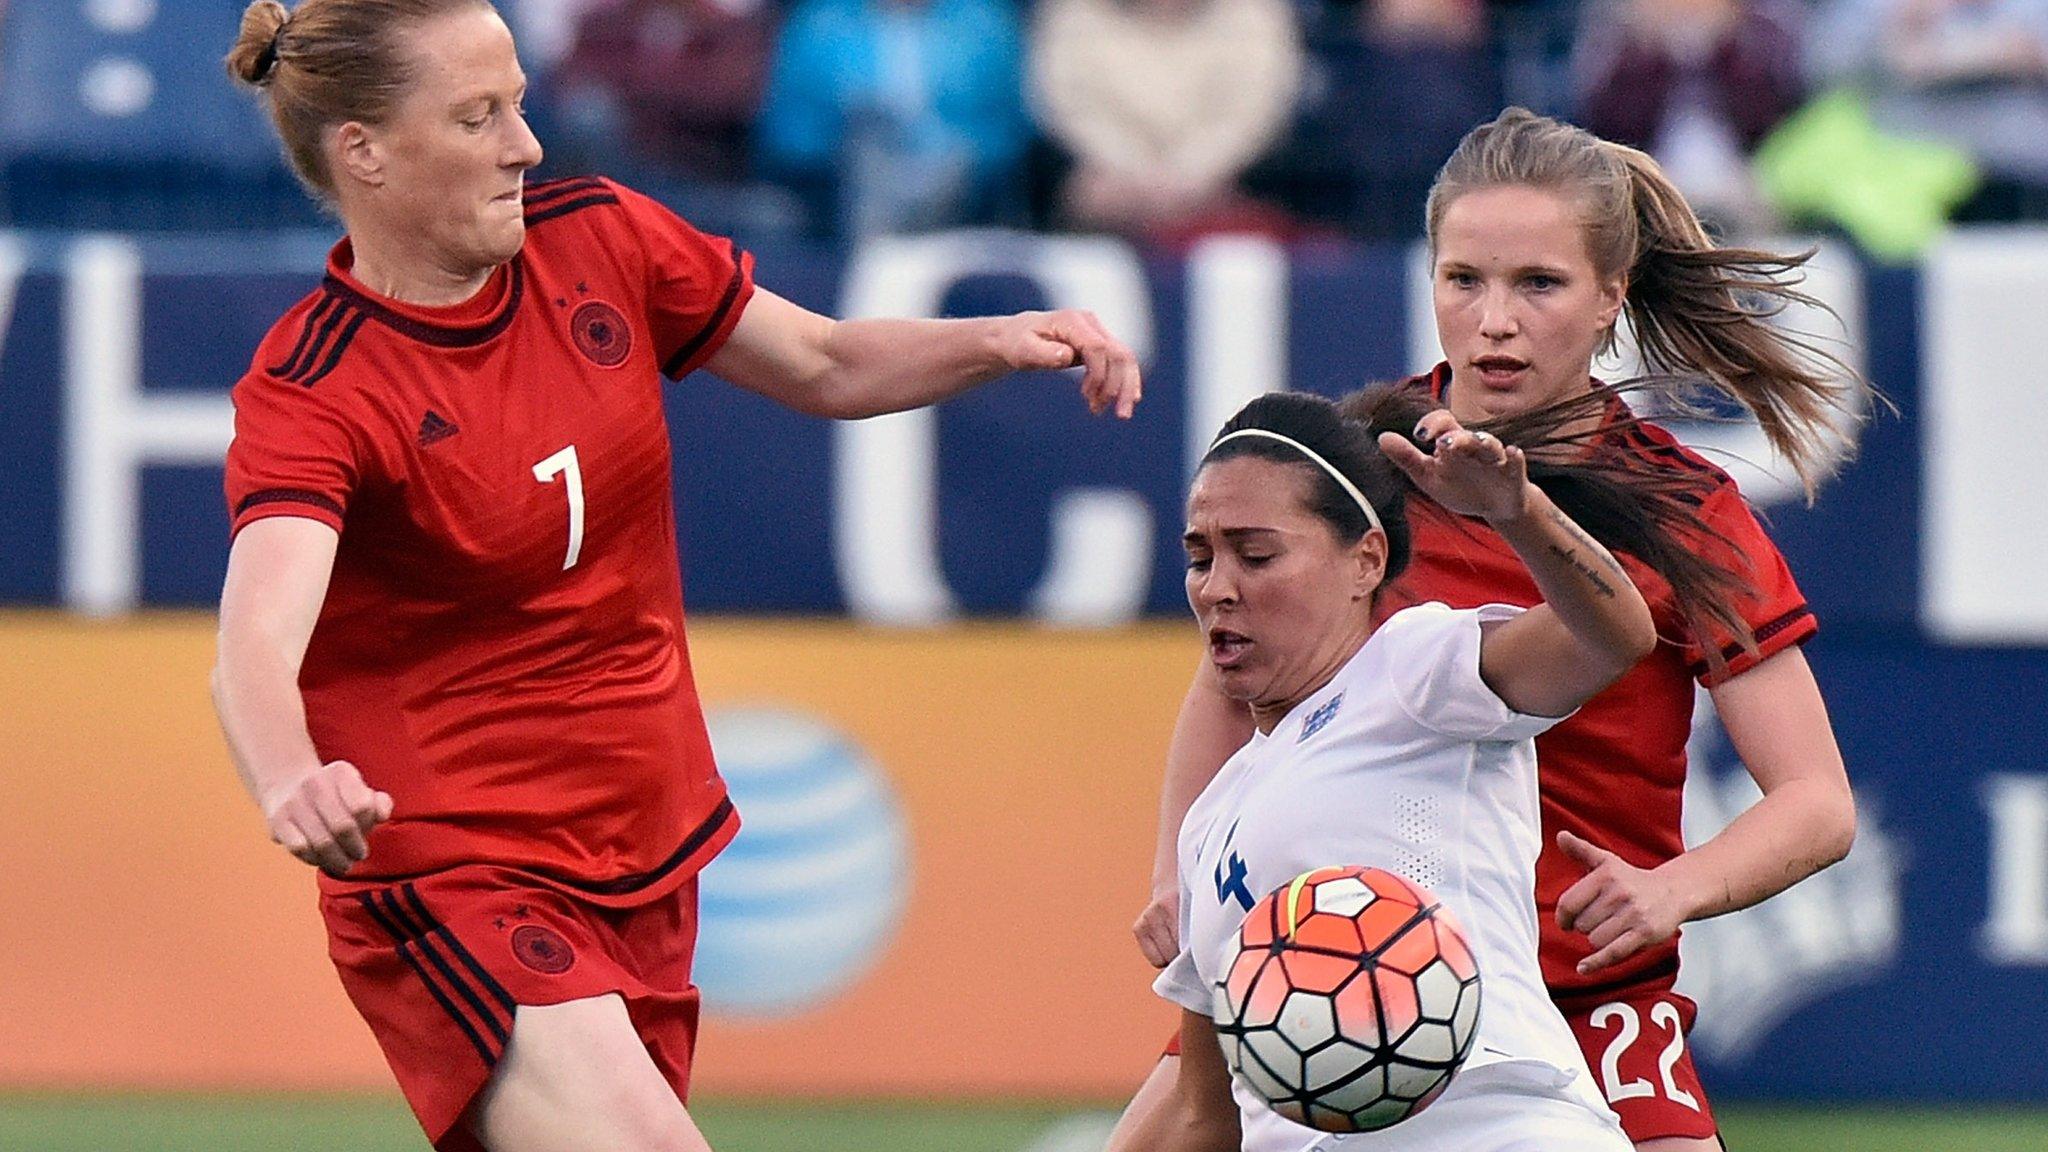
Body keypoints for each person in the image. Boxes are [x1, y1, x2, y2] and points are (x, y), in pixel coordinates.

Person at [210, 3, 1140, 1151]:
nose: (526, 144)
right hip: (454, 874)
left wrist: (996, 338)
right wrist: (289, 778)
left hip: (641, 853)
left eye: (517, 101)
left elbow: (823, 359)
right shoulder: (318, 388)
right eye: (477, 116)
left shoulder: (600, 238)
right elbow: (256, 634)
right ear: (365, 150)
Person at [1121, 107, 1862, 1151]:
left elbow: (1816, 804)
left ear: (1611, 295)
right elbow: (1228, 680)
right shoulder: (1359, 468)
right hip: (1346, 970)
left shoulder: (1685, 508)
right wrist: (1177, 878)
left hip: (1581, 992)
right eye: (1462, 279)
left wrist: (1669, 891)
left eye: (1537, 285)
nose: (1492, 321)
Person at [1130, 387, 1675, 1151]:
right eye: (1198, 557)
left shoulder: (1412, 669)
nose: (1217, 586)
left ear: (1366, 560)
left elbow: (1614, 637)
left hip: (1500, 1129)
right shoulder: (1211, 825)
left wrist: (1518, 513)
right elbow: (1202, 1112)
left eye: (1256, 555)